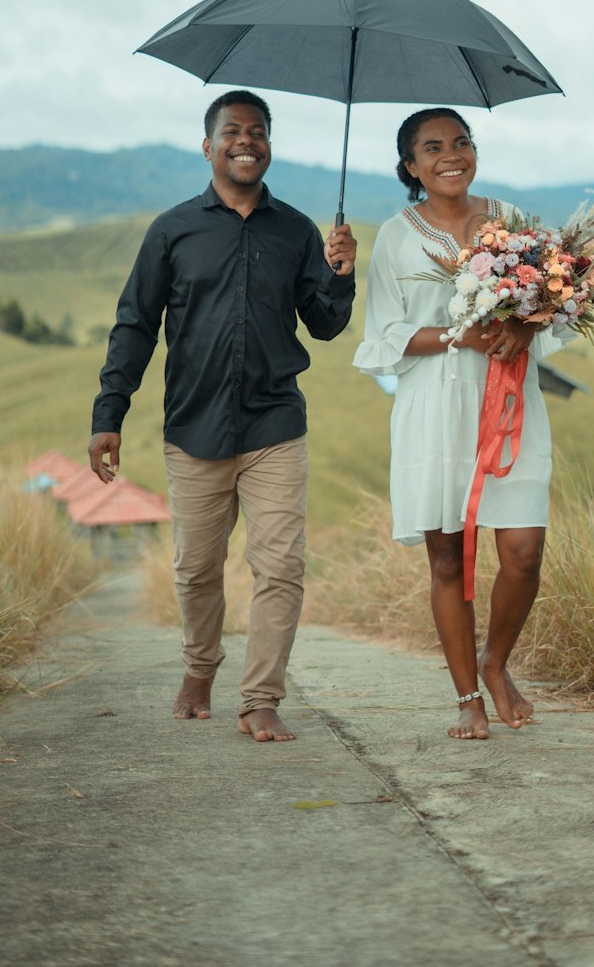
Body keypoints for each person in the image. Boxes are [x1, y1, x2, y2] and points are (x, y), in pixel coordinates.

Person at [89, 91, 356, 743]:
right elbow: (136, 325)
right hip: (194, 427)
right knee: (198, 569)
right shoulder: (173, 230)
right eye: (232, 131)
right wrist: (109, 413)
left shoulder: (295, 231)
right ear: (208, 147)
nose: (247, 140)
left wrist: (341, 275)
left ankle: (260, 699)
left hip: (274, 426)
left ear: (269, 145)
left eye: (258, 131)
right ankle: (199, 667)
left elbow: (324, 325)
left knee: (281, 567)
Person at [352, 108, 565, 739]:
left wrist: (524, 322)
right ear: (411, 166)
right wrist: (460, 334)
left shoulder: (514, 224)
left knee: (523, 551)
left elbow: (557, 303)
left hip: (508, 402)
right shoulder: (396, 235)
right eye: (434, 147)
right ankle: (467, 694)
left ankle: (496, 663)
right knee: (448, 558)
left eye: (463, 142)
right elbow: (385, 335)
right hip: (434, 406)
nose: (453, 154)